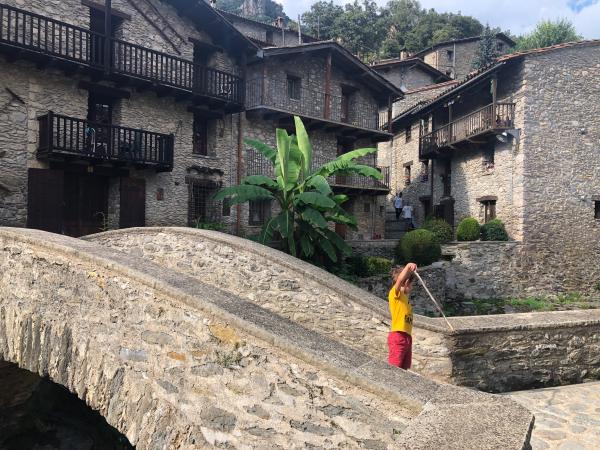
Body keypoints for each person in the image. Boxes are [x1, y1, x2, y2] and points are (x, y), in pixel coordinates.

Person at [388, 263, 417, 369]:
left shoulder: (405, 299)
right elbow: (400, 280)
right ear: (406, 283)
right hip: (398, 335)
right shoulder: (395, 294)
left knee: (404, 369)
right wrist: (408, 267)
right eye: (411, 284)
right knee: (395, 368)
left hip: (407, 337)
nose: (412, 287)